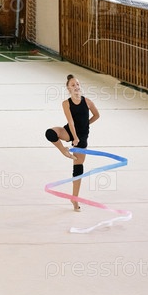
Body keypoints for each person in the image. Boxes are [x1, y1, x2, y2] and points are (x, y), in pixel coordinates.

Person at [44, 74, 101, 211]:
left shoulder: (87, 102)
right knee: (50, 133)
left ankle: (74, 198)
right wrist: (74, 137)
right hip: (69, 131)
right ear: (68, 88)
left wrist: (86, 125)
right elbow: (70, 122)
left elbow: (97, 115)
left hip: (82, 137)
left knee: (78, 168)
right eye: (73, 85)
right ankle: (63, 150)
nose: (76, 87)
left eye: (77, 84)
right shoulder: (66, 103)